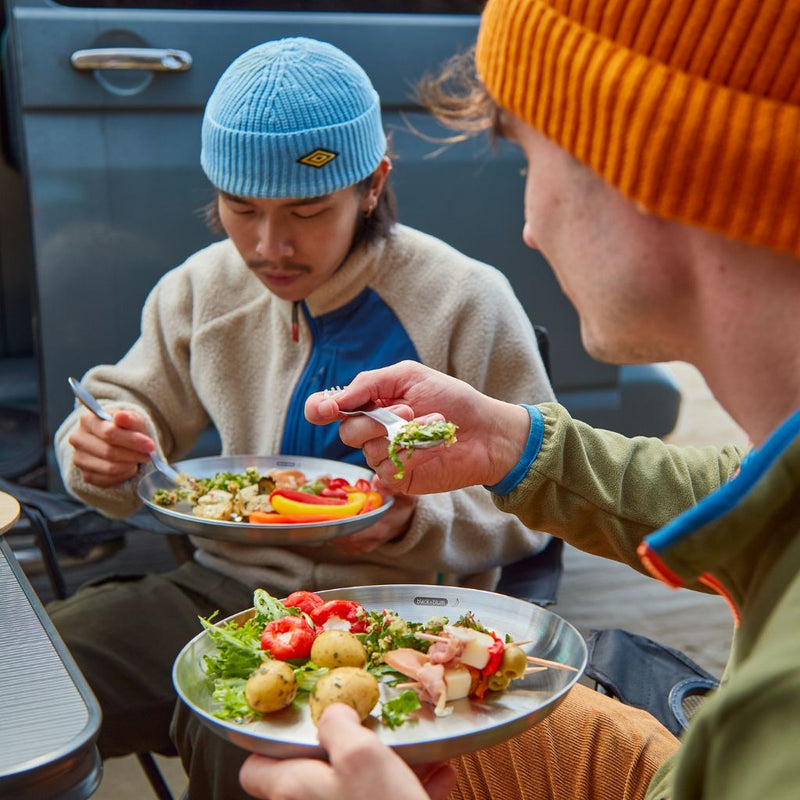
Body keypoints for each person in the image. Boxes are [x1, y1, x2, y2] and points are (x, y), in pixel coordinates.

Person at [239, 0, 800, 798]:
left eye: (529, 157)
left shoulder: (782, 713)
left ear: (649, 162)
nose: (530, 225)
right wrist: (517, 445)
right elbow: (752, 491)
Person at [49, 36, 555, 799]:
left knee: (248, 745)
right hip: (220, 593)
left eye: (308, 210)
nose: (269, 246)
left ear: (373, 184)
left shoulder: (466, 302)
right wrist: (100, 445)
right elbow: (129, 404)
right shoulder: (199, 291)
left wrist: (416, 523)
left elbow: (537, 499)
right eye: (241, 208)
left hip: (400, 618)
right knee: (29, 670)